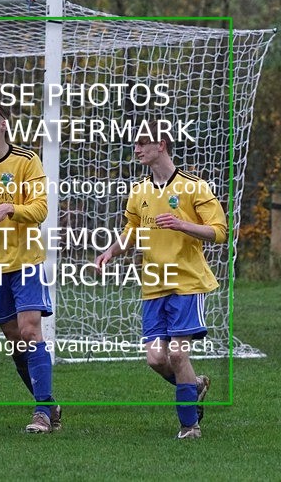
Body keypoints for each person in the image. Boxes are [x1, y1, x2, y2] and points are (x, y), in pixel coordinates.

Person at [94, 123, 223, 439]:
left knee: (178, 355)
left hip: (187, 284)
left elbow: (219, 231)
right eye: (135, 144)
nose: (136, 149)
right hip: (153, 285)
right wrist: (111, 252)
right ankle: (193, 387)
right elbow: (131, 230)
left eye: (142, 143)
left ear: (161, 144)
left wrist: (182, 225)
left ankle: (189, 426)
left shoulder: (195, 187)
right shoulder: (139, 191)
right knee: (155, 358)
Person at [0, 103, 60, 433]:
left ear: (3, 125)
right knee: (14, 338)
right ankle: (50, 405)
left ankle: (42, 413)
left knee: (31, 331)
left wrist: (9, 208)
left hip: (25, 260)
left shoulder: (26, 160)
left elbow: (41, 208)